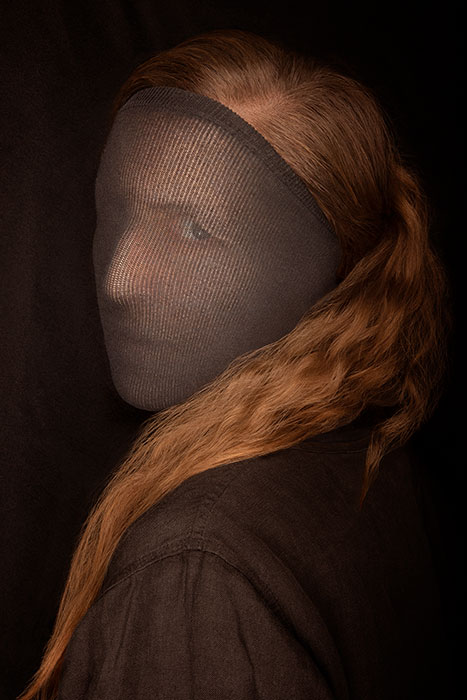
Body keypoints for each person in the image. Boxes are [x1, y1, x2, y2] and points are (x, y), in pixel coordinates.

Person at [18, 28, 451, 700]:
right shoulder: (372, 452)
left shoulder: (197, 574)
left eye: (193, 229)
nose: (121, 278)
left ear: (324, 260)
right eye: (121, 211)